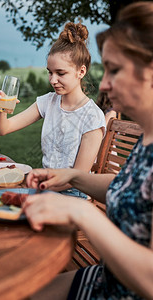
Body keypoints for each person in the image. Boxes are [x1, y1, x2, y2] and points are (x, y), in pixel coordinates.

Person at [22, 2, 153, 299]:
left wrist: (80, 210)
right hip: (107, 277)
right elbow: (128, 188)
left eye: (114, 70)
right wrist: (70, 176)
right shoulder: (148, 138)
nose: (103, 85)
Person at [0, 22, 106, 198]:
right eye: (50, 72)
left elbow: (78, 178)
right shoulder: (48, 102)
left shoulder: (92, 116)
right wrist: (3, 108)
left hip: (73, 195)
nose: (53, 80)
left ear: (81, 71)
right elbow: (2, 129)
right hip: (45, 188)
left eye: (60, 73)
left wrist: (38, 187)